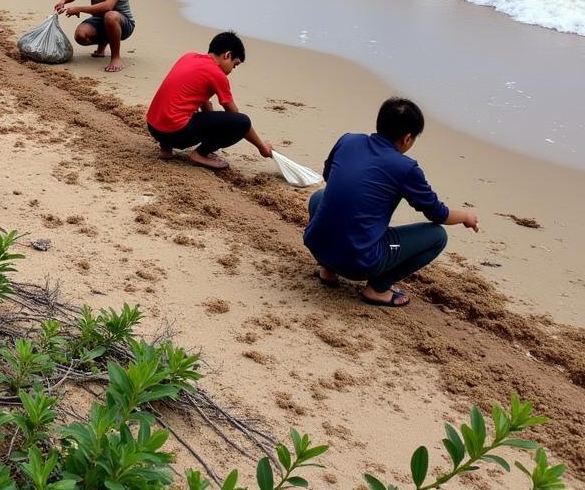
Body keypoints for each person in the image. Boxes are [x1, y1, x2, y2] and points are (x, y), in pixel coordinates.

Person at [304, 97, 479, 308]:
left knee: (320, 197)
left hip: (317, 245)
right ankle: (378, 288)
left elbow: (329, 177)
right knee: (437, 237)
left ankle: (327, 270)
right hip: (358, 263)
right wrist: (466, 217)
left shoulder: (348, 140)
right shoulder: (405, 168)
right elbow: (438, 214)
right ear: (407, 138)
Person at [146, 31, 273, 171]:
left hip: (154, 127)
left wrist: (211, 121)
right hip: (177, 133)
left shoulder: (189, 57)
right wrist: (261, 146)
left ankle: (165, 148)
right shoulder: (217, 74)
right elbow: (234, 114)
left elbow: (200, 96)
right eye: (234, 65)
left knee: (179, 106)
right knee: (243, 122)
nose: (231, 70)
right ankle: (199, 154)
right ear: (228, 55)